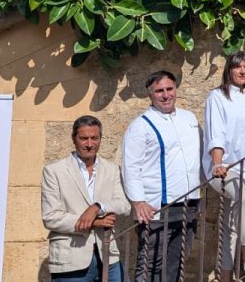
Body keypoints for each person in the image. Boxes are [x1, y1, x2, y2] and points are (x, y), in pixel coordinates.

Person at [121, 71, 202, 282]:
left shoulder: (189, 118)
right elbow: (131, 167)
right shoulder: (140, 126)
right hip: (157, 207)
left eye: (169, 89)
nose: (166, 95)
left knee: (178, 262)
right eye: (159, 91)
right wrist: (138, 202)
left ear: (175, 90)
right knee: (150, 264)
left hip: (189, 203)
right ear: (150, 95)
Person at [40, 116, 130, 282]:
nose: (90, 144)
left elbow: (124, 205)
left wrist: (97, 207)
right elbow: (50, 217)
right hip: (70, 259)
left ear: (100, 139)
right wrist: (94, 222)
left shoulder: (112, 169)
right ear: (74, 139)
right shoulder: (54, 171)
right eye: (84, 138)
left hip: (108, 256)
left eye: (94, 138)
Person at [204, 52, 245, 281]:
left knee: (232, 223)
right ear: (228, 70)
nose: (242, 71)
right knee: (244, 198)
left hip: (244, 166)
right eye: (237, 67)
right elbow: (215, 132)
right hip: (222, 167)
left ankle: (225, 275)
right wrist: (218, 163)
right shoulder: (217, 97)